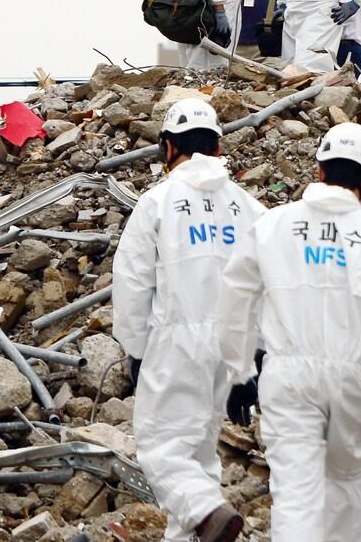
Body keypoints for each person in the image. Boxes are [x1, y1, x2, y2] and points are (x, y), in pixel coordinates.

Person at [218, 122, 361, 542]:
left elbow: (235, 299)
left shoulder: (274, 225)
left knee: (296, 494)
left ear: (318, 170)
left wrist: (239, 370)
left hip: (289, 377)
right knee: (350, 489)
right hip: (354, 380)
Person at [112, 98, 266, 542]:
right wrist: (253, 361)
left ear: (167, 147)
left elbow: (133, 281)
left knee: (161, 448)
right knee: (198, 455)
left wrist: (136, 349)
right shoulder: (248, 208)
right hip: (234, 345)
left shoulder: (158, 203)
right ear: (218, 148)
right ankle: (197, 525)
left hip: (178, 344)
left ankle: (208, 510)